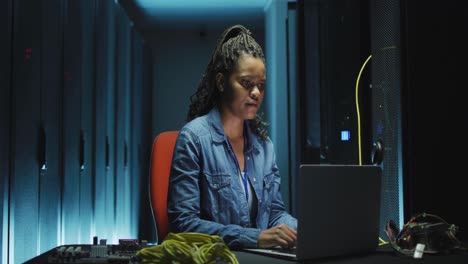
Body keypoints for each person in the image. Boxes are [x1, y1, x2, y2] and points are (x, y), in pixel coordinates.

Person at [167, 24, 297, 250]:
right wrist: (255, 238)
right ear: (220, 82)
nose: (256, 93)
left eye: (261, 86)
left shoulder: (264, 146)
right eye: (247, 83)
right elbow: (183, 223)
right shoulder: (194, 138)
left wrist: (302, 231)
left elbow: (275, 214)